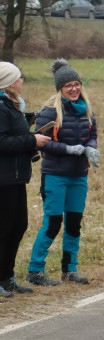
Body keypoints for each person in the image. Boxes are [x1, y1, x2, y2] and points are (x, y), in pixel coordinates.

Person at [27, 59, 99, 286]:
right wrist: (67, 149)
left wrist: (92, 148)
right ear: (60, 88)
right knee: (53, 223)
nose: (74, 89)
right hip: (55, 176)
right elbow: (40, 142)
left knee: (75, 222)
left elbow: (92, 134)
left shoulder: (87, 109)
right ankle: (35, 271)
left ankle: (70, 269)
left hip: (79, 175)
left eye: (77, 84)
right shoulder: (49, 112)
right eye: (68, 85)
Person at [0, 63, 50, 296]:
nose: (22, 80)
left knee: (18, 226)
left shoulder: (13, 105)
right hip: (4, 177)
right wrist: (32, 141)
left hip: (17, 176)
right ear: (9, 82)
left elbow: (12, 134)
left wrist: (28, 125)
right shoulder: (1, 107)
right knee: (4, 228)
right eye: (19, 77)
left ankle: (7, 277)